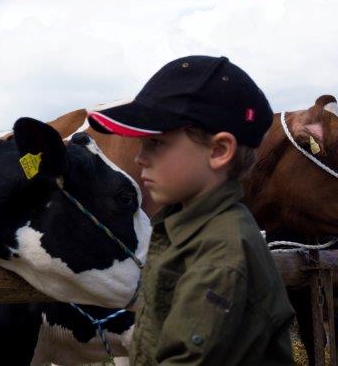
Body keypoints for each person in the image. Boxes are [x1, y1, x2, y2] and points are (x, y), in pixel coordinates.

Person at [88, 56, 295, 365]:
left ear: (218, 151)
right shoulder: (181, 229)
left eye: (156, 143)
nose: (140, 158)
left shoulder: (221, 257)